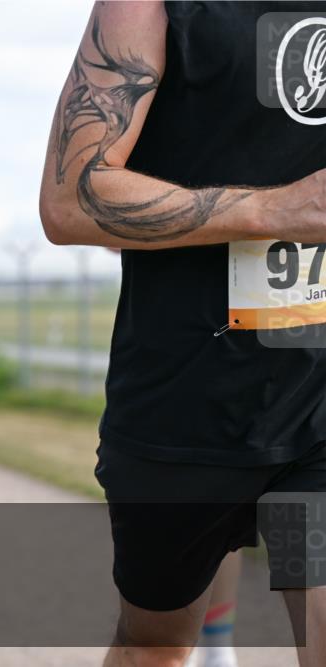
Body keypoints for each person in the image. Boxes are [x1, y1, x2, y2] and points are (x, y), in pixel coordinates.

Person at [39, 3, 324, 666]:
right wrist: (273, 210)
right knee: (158, 645)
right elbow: (70, 200)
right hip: (184, 396)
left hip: (317, 396)